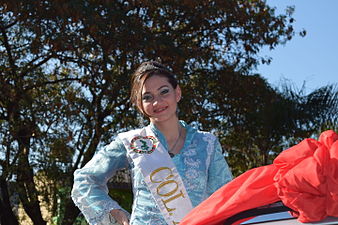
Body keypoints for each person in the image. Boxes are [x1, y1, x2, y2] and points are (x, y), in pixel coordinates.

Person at [71, 60, 233, 225]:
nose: (157, 102)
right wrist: (116, 213)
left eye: (164, 92)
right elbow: (84, 179)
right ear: (140, 105)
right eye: (147, 97)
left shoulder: (206, 144)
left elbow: (225, 197)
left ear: (177, 93)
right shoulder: (133, 141)